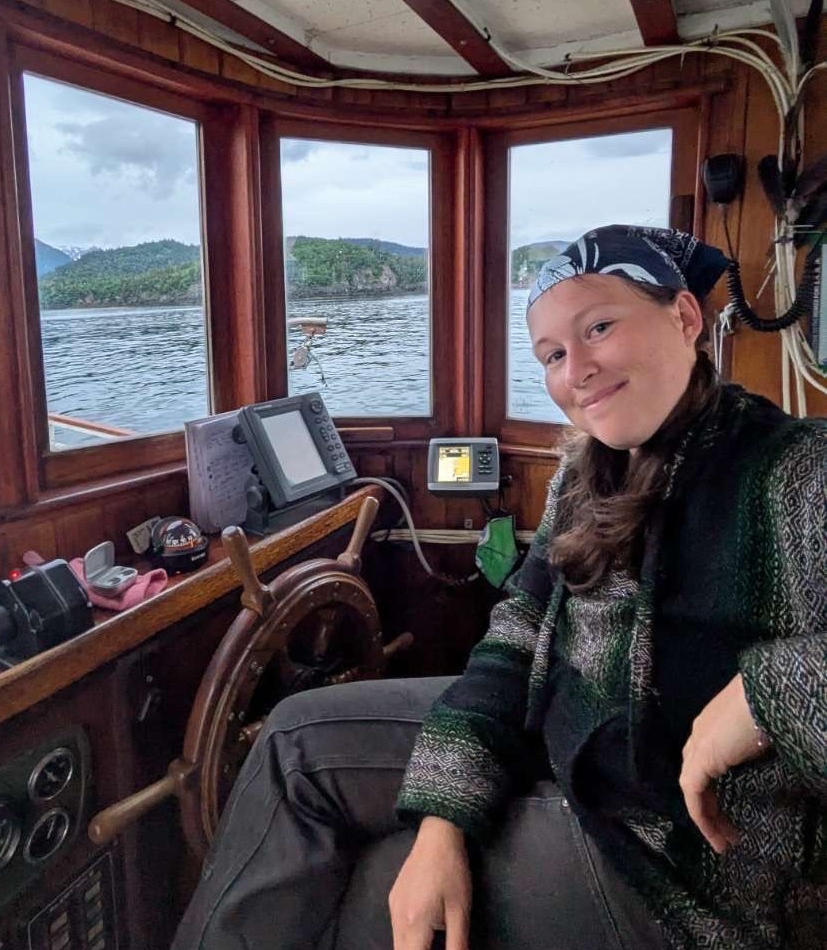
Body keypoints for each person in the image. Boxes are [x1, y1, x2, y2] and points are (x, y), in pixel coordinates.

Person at [171, 226, 826, 950]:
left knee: (376, 889)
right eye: (551, 355)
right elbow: (517, 634)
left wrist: (770, 692)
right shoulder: (587, 477)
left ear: (683, 317)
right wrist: (447, 816)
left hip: (675, 864)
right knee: (293, 738)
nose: (575, 369)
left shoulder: (795, 472)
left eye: (598, 327)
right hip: (563, 743)